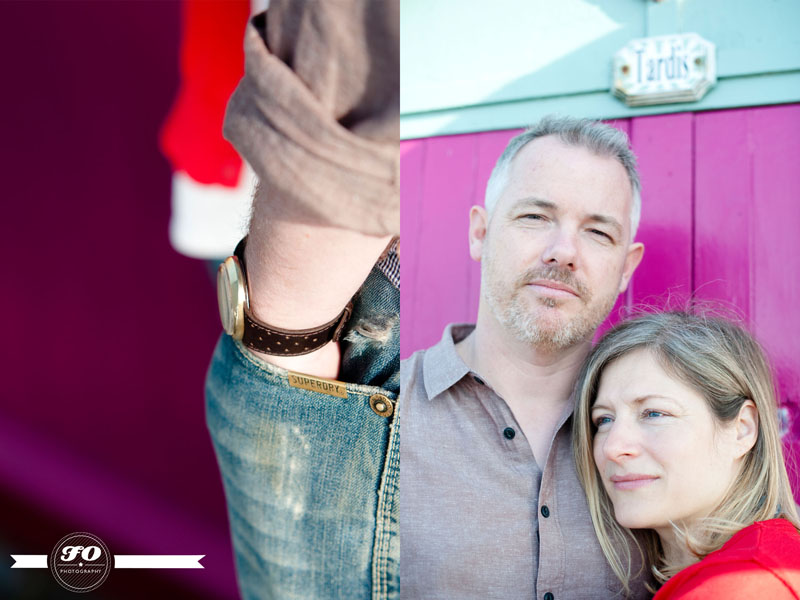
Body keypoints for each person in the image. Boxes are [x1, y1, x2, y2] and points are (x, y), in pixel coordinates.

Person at [400, 116, 650, 598]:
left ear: (626, 267)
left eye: (599, 232)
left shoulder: (666, 439)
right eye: (535, 217)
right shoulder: (378, 416)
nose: (563, 252)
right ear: (480, 232)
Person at [205, 2, 400, 599]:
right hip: (355, 338)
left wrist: (284, 339)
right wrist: (289, 340)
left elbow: (349, 78)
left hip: (348, 334)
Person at [572, 311, 800, 599]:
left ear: (742, 430)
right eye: (603, 420)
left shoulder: (746, 584)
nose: (612, 448)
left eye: (654, 413)